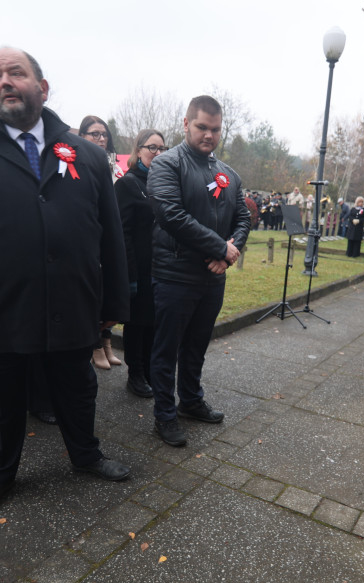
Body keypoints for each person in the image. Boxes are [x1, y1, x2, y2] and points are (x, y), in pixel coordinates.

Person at [0, 46, 132, 520]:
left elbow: (110, 237)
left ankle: (87, 456)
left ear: (43, 87)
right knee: (0, 398)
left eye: (16, 73)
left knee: (78, 388)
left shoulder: (86, 155)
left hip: (74, 305)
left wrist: (112, 302)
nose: (4, 82)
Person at [147, 95, 250, 447]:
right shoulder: (166, 165)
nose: (209, 135)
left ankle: (190, 400)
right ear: (186, 123)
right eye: (202, 127)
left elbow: (244, 217)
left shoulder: (227, 174)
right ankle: (164, 414)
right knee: (166, 350)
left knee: (196, 347)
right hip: (174, 275)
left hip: (212, 277)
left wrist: (227, 254)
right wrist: (218, 247)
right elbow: (171, 215)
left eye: (215, 129)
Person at [116, 128, 166, 399]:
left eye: (162, 148)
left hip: (162, 266)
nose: (158, 153)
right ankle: (135, 373)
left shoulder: (162, 184)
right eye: (152, 148)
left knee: (155, 322)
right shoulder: (127, 184)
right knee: (137, 322)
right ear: (138, 151)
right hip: (139, 267)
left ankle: (148, 370)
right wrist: (130, 274)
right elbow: (121, 232)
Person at [79, 114, 124, 371]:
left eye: (104, 134)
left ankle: (106, 343)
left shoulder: (115, 167)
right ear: (83, 137)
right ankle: (95, 346)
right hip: (90, 237)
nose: (101, 138)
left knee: (111, 291)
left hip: (112, 235)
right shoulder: (77, 163)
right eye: (94, 134)